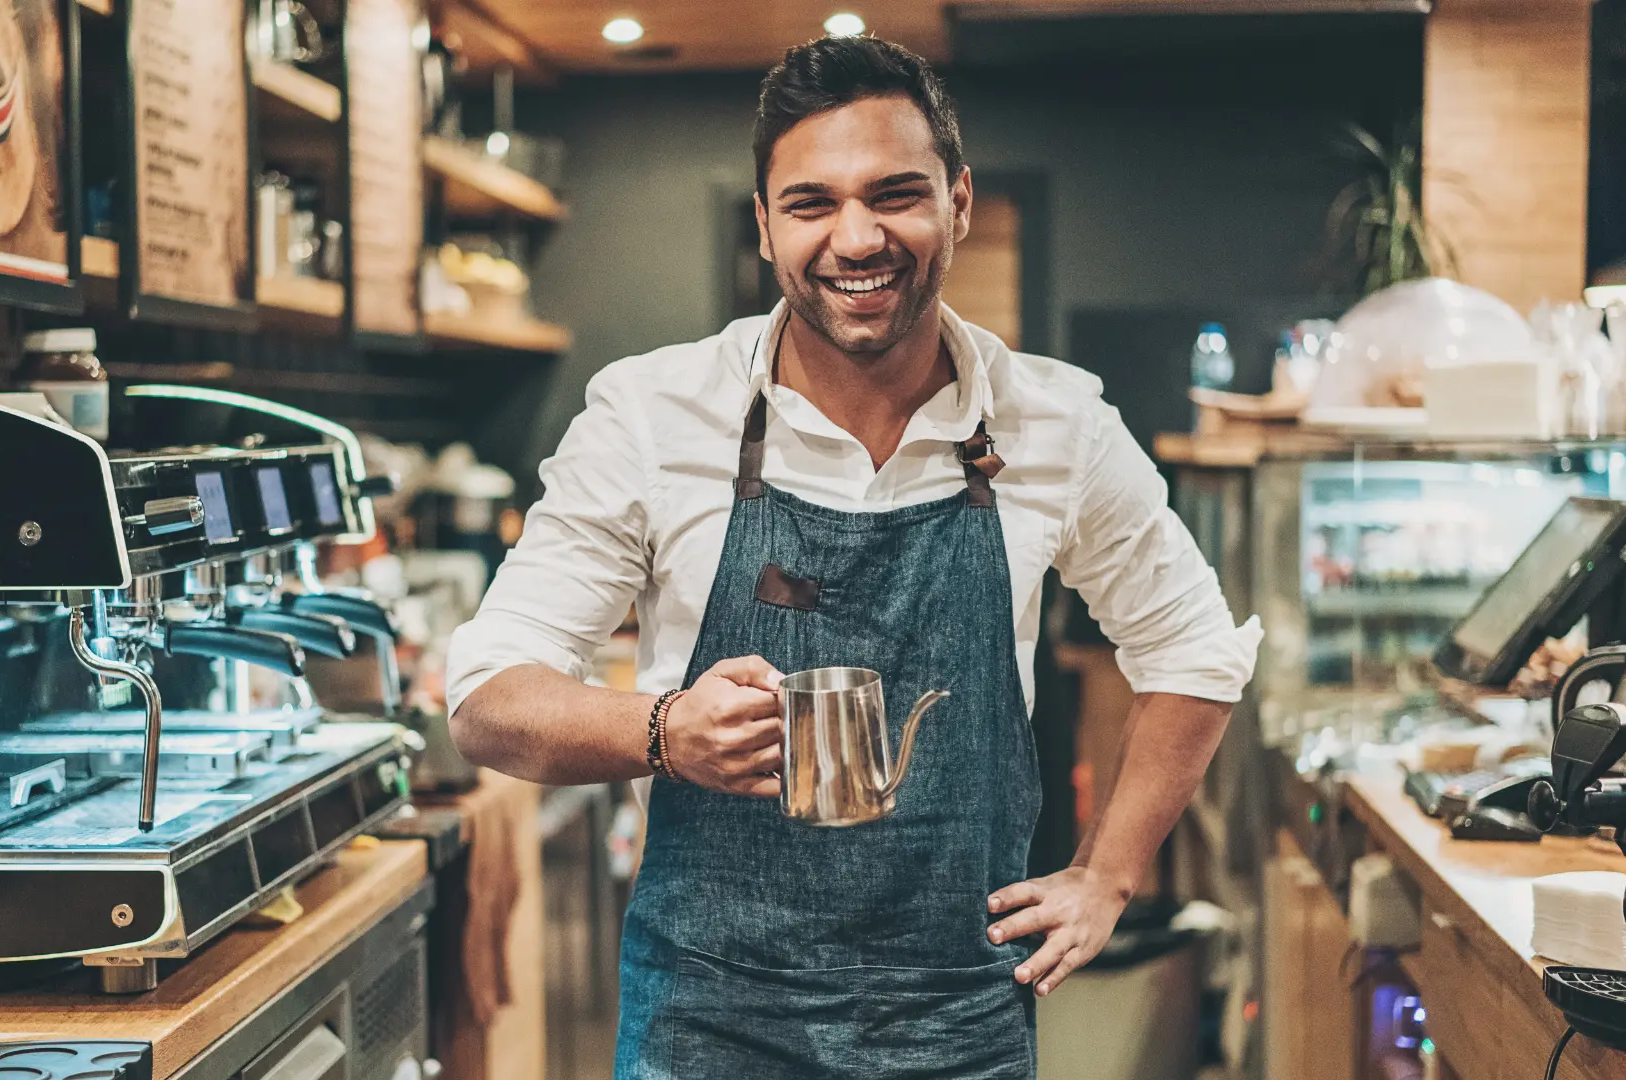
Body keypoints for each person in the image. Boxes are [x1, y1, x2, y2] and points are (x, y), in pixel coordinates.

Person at [446, 34, 1261, 1080]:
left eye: (895, 194)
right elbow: (485, 696)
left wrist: (1106, 879)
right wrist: (662, 730)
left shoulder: (1056, 422)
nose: (857, 236)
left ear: (958, 203)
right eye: (812, 203)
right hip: (710, 1018)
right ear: (765, 224)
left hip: (958, 1018)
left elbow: (1195, 647)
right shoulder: (653, 415)